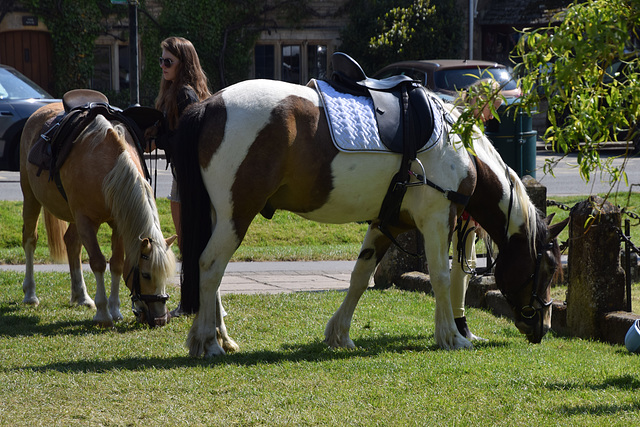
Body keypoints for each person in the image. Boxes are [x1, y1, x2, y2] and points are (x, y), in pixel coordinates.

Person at [154, 36, 212, 317]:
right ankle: (193, 301)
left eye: (168, 61)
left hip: (187, 178)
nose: (163, 66)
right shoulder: (175, 91)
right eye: (161, 60)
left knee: (189, 239)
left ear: (183, 64)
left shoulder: (184, 94)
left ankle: (191, 302)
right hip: (182, 176)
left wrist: (161, 137)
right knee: (188, 238)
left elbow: (188, 140)